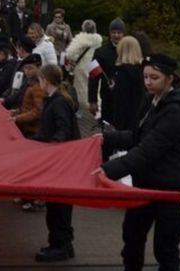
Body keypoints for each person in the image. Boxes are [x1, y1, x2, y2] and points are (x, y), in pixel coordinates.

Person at [102, 54, 180, 271]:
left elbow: (147, 150)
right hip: (146, 184)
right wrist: (107, 137)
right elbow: (139, 136)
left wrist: (106, 171)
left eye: (154, 77)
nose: (148, 82)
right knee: (132, 237)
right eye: (145, 77)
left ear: (170, 79)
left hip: (169, 188)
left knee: (165, 248)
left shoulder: (175, 111)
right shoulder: (151, 101)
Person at [34, 64, 81, 263]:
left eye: (39, 80)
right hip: (59, 159)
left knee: (58, 205)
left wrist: (54, 145)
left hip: (60, 161)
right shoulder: (55, 99)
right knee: (57, 204)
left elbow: (63, 128)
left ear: (45, 80)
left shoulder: (59, 101)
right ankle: (62, 243)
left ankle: (59, 245)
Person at [65, 20, 103, 137]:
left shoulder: (80, 39)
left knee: (82, 91)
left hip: (82, 66)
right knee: (96, 89)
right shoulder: (98, 39)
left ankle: (84, 111)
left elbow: (70, 53)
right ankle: (100, 111)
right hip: (94, 65)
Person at [91, 18, 125, 125]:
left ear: (123, 34)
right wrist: (92, 100)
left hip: (125, 99)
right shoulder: (100, 52)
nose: (116, 35)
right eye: (113, 32)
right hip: (107, 99)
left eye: (119, 33)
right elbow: (92, 76)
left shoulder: (129, 51)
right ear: (110, 33)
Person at [110, 36, 145, 133]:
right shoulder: (143, 69)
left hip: (126, 121)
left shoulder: (123, 72)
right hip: (140, 116)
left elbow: (121, 100)